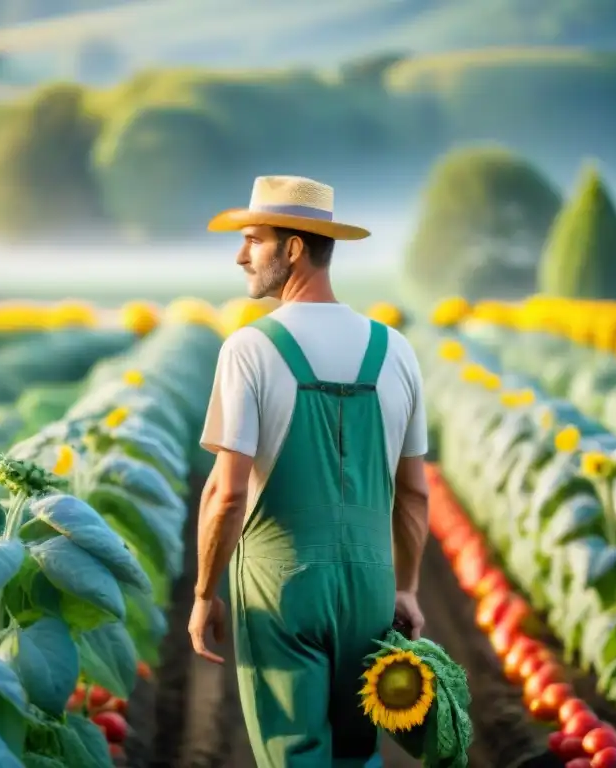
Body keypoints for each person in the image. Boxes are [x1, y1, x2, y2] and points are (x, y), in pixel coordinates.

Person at [189, 175, 430, 767]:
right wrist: (406, 587)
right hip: (372, 590)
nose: (241, 254)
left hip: (282, 588)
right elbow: (415, 494)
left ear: (293, 248)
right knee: (358, 751)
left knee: (292, 754)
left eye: (254, 239)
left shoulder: (249, 349)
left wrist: (203, 592)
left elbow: (226, 493)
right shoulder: (395, 350)